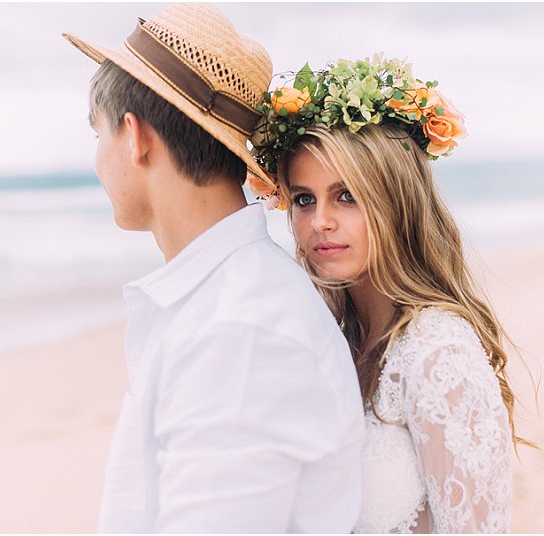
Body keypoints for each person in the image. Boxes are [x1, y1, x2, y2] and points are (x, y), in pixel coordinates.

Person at [62, 4, 364, 533]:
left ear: (135, 137)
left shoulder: (241, 332)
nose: (96, 158)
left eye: (97, 135)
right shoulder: (229, 301)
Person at [248, 56, 528, 533]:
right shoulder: (333, 340)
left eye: (347, 196)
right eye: (303, 198)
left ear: (396, 202)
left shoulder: (438, 354)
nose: (320, 222)